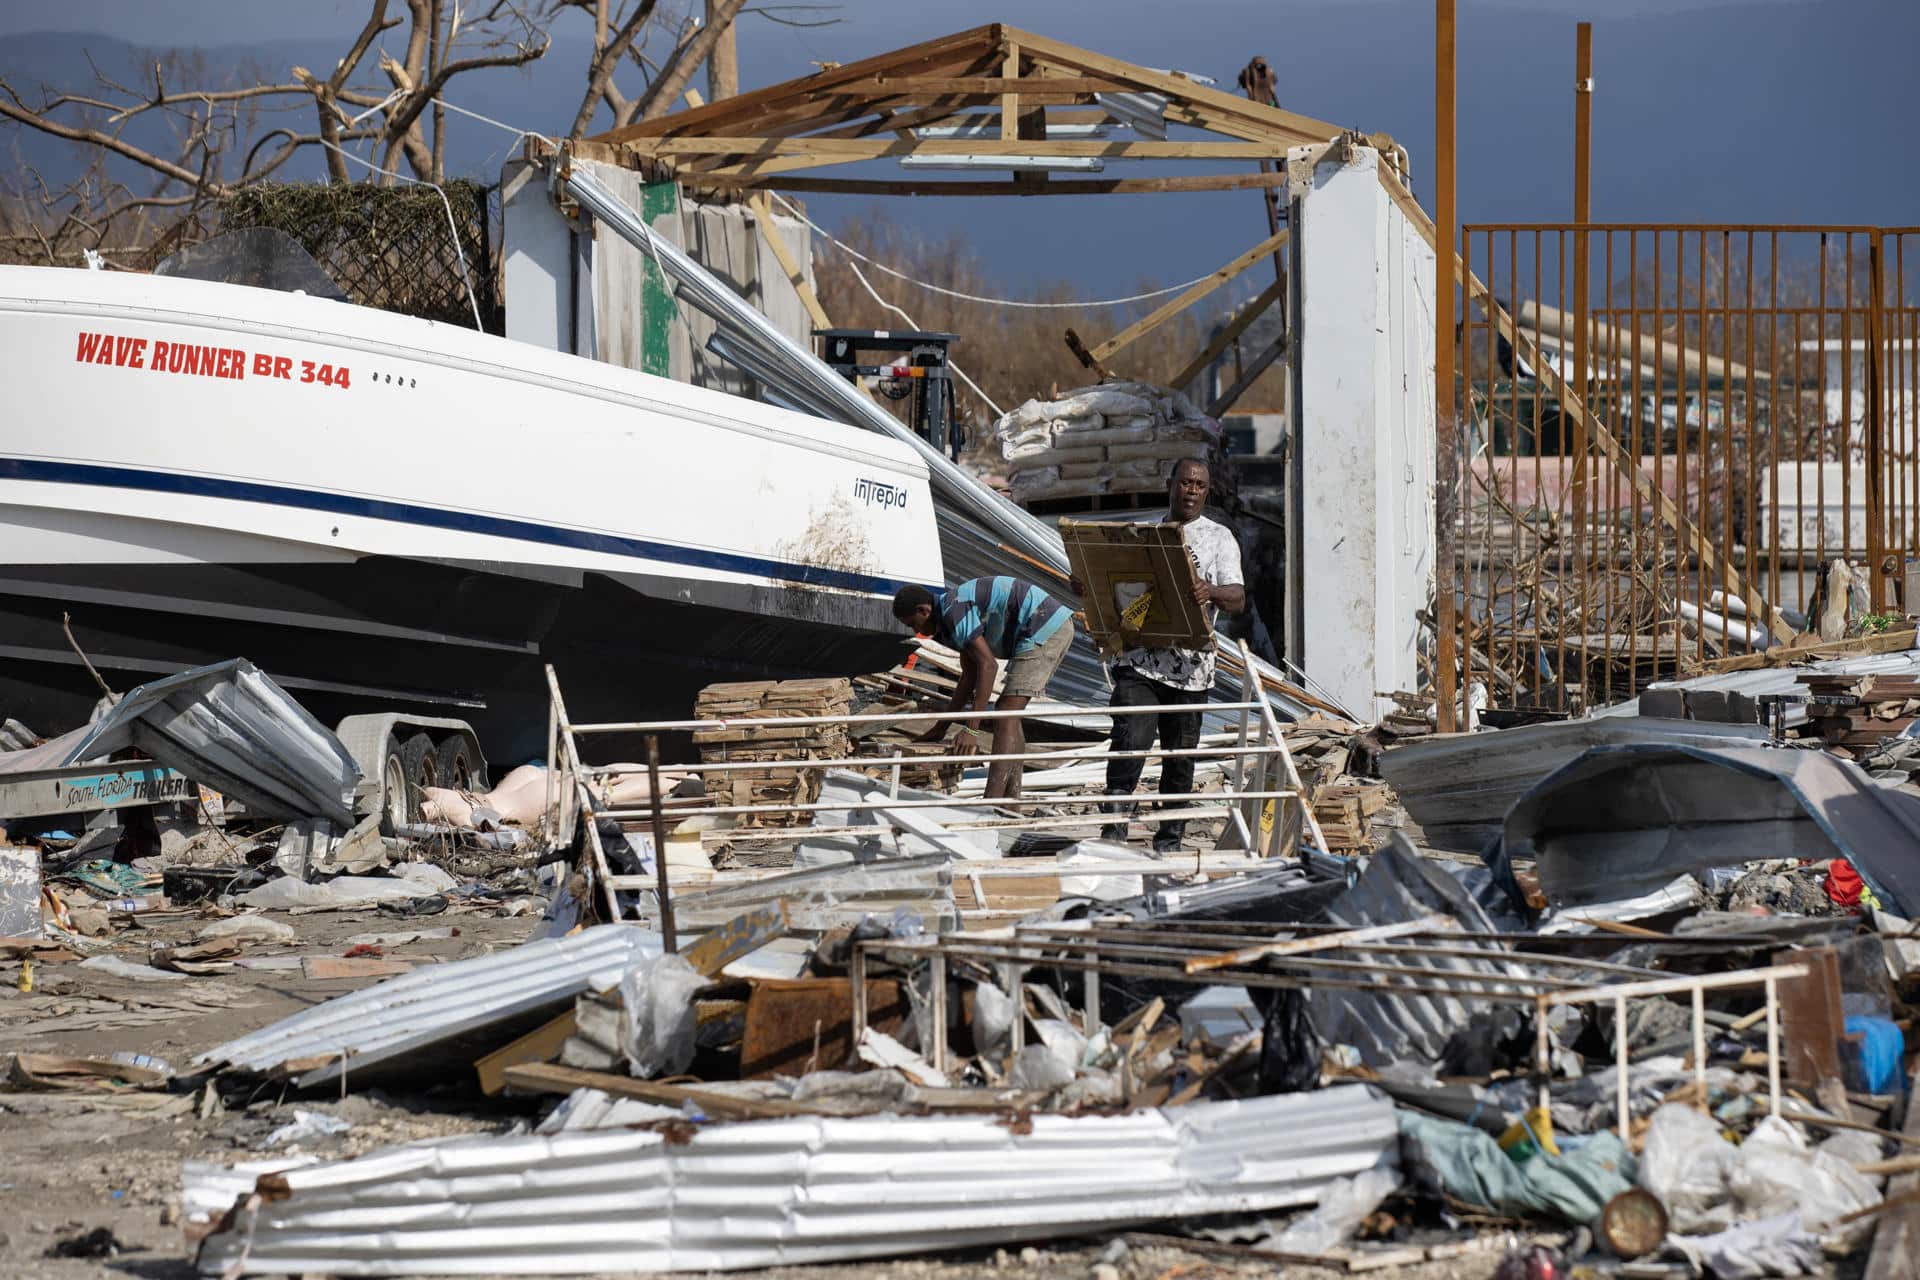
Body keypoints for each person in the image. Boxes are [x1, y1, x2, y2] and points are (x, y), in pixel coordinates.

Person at [1099, 458, 1246, 851]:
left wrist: (1210, 591)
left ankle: (1169, 841)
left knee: (1179, 759)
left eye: (1199, 485)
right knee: (1130, 742)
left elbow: (1237, 597)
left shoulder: (1219, 538)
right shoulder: (1146, 533)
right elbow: (1116, 585)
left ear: (1206, 491)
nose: (1192, 490)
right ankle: (1113, 832)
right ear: (1171, 484)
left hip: (1191, 672)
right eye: (1185, 483)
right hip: (1140, 661)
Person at [891, 576, 1074, 799]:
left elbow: (988, 666)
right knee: (1009, 715)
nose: (914, 630)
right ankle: (1010, 801)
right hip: (1040, 627)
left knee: (1006, 711)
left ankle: (991, 801)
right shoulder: (947, 622)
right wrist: (941, 727)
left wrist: (971, 730)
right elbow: (969, 675)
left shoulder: (953, 611)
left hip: (1044, 625)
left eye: (912, 624)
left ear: (924, 611)